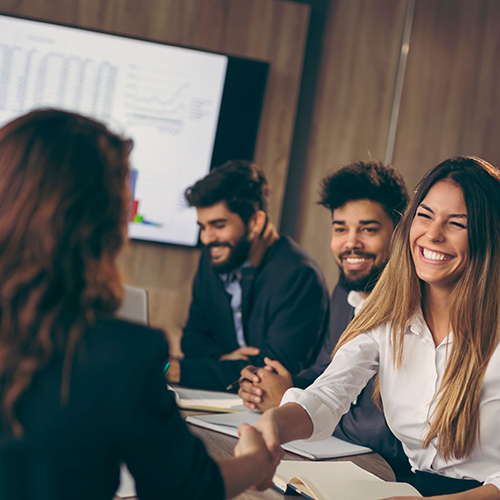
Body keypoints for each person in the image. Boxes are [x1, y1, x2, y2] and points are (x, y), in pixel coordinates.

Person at [0, 109, 280, 500]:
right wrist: (256, 461)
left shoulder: (291, 272)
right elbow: (187, 487)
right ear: (106, 224)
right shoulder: (122, 355)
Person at [253, 156, 500, 498]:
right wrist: (272, 425)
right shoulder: (390, 312)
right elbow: (328, 394)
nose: (432, 234)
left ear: (489, 235)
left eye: (456, 223)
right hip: (412, 487)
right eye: (424, 216)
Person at [238, 160, 411, 479]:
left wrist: (290, 402)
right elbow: (329, 369)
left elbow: (388, 433)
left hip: (389, 472)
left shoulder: (414, 304)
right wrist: (280, 386)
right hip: (338, 458)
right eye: (340, 228)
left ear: (399, 232)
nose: (350, 243)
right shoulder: (345, 291)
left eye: (368, 229)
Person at [165, 160, 329, 391]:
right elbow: (192, 339)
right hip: (221, 401)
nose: (207, 238)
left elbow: (274, 371)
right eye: (202, 227)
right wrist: (224, 359)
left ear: (256, 221)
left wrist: (181, 371)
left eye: (218, 225)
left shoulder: (299, 275)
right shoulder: (213, 257)